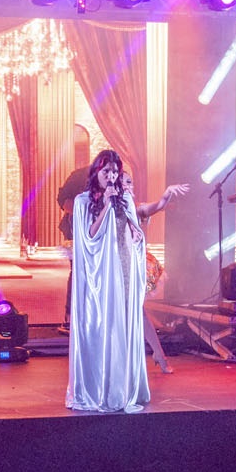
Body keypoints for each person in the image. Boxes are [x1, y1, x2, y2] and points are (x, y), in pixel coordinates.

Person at [65, 150, 150, 413]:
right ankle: (100, 387)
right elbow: (89, 236)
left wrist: (136, 233)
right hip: (100, 276)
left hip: (123, 268)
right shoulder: (83, 201)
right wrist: (105, 206)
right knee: (104, 325)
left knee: (123, 325)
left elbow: (134, 230)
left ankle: (124, 386)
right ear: (96, 172)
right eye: (106, 172)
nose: (111, 176)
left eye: (115, 172)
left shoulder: (124, 199)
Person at [122, 171, 190, 374]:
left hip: (133, 267)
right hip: (114, 268)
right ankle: (156, 355)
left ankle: (158, 355)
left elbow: (158, 205)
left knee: (137, 312)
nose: (127, 185)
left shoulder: (137, 209)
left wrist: (167, 193)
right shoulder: (108, 211)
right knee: (130, 313)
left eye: (129, 182)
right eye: (122, 182)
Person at [55, 164, 90, 333]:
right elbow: (63, 200)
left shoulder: (115, 177)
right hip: (78, 230)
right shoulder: (80, 175)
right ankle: (71, 318)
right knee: (79, 271)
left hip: (102, 232)